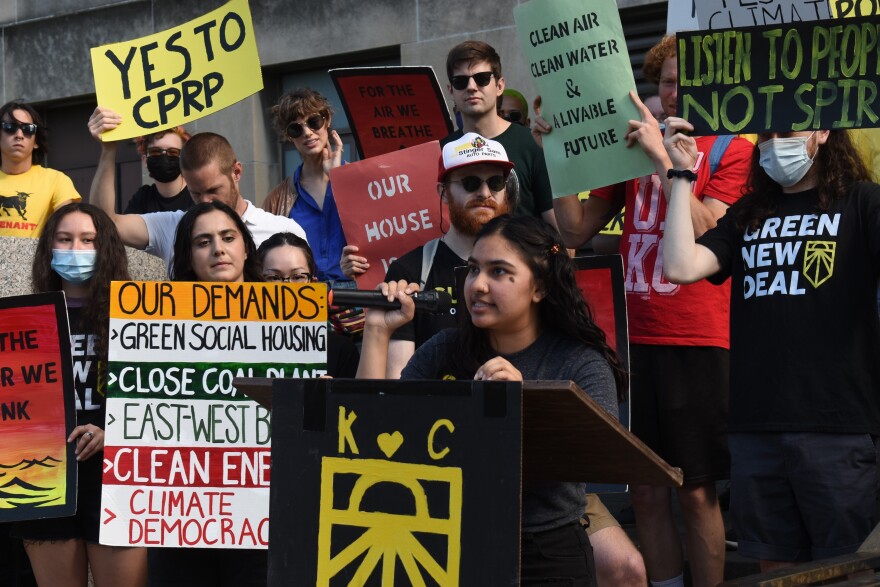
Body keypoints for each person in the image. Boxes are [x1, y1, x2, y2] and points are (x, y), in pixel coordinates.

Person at [540, 35, 754, 587]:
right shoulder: (631, 145)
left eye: (686, 82)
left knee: (697, 489)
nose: (674, 92)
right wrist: (557, 156)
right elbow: (573, 230)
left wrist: (666, 162)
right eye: (665, 82)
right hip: (632, 340)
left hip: (696, 337)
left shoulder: (734, 148)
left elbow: (713, 237)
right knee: (645, 488)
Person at [358, 214, 627, 585]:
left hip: (545, 553)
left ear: (540, 287)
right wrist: (377, 330)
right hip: (445, 544)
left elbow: (598, 461)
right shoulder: (444, 350)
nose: (478, 285)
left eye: (499, 272)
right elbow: (374, 433)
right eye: (473, 270)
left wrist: (524, 402)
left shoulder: (580, 362)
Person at [661, 124, 880, 571]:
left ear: (821, 132)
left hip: (837, 427)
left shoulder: (863, 202)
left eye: (787, 131)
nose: (773, 144)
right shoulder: (749, 212)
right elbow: (681, 266)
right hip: (756, 427)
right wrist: (681, 175)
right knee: (772, 572)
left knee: (847, 572)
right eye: (765, 135)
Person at [11, 203, 146, 587]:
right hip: (42, 475)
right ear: (48, 248)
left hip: (118, 475)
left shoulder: (136, 316)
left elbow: (157, 400)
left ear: (106, 248)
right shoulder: (23, 321)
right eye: (64, 239)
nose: (75, 249)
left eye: (88, 240)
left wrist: (112, 432)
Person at [153, 200, 267, 587]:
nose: (218, 248)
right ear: (188, 257)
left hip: (261, 510)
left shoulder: (290, 319)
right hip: (182, 511)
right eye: (203, 242)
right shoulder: (156, 324)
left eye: (228, 237)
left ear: (246, 247)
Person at [88, 109, 307, 270]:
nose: (205, 202)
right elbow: (105, 222)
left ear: (237, 173)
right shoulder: (174, 226)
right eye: (195, 193)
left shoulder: (283, 231)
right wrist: (108, 150)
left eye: (214, 190)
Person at [263, 89, 348, 284]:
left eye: (314, 121)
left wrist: (339, 180)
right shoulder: (277, 199)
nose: (308, 133)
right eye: (296, 129)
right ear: (288, 136)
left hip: (356, 298)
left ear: (326, 120)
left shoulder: (359, 182)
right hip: (304, 296)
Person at [256, 232, 360, 377]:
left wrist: (327, 397)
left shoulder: (341, 350)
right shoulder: (236, 345)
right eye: (274, 277)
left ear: (314, 284)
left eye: (298, 277)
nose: (287, 287)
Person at [0, 101, 80, 237]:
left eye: (28, 129)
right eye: (10, 127)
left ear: (36, 141)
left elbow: (68, 230)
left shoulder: (56, 180)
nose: (19, 135)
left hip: (38, 258)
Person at [124, 125, 193, 214]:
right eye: (155, 152)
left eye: (173, 152)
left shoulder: (197, 195)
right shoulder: (143, 198)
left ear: (184, 159)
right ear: (145, 160)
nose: (164, 157)